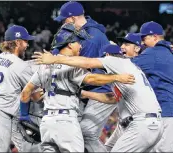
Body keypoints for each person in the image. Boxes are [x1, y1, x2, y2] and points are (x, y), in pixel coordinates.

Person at [22, 24, 135, 152]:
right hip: (66, 122)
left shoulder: (44, 66)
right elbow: (92, 79)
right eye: (79, 42)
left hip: (46, 124)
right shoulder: (72, 65)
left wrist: (24, 115)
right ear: (70, 44)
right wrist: (117, 77)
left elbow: (26, 93)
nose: (81, 45)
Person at [32, 43, 164, 152]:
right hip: (150, 124)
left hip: (142, 124)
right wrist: (82, 93)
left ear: (106, 56)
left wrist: (55, 59)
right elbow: (111, 99)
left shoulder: (115, 61)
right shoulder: (126, 69)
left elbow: (87, 63)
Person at [54, 2, 116, 152]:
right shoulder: (81, 33)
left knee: (86, 134)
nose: (63, 23)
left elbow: (82, 68)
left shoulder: (91, 37)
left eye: (64, 20)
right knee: (73, 135)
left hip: (101, 89)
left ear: (72, 18)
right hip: (87, 91)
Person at [131, 21, 173, 152]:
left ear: (155, 37)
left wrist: (117, 54)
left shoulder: (153, 53)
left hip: (170, 113)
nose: (142, 43)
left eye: (144, 38)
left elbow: (127, 67)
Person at [0, 25, 42, 152]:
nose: (27, 45)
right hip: (3, 114)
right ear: (17, 42)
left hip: (5, 113)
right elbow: (37, 97)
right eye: (25, 41)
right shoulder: (20, 65)